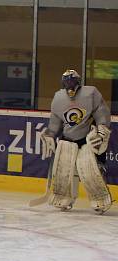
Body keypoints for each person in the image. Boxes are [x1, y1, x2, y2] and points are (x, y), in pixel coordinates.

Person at [39, 69, 112, 213]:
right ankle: (64, 198)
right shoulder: (58, 98)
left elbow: (101, 111)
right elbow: (55, 122)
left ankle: (100, 199)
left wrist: (102, 127)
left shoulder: (90, 93)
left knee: (91, 170)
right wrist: (50, 134)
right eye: (67, 81)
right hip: (67, 139)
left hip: (88, 139)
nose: (69, 84)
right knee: (65, 170)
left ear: (78, 81)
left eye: (72, 81)